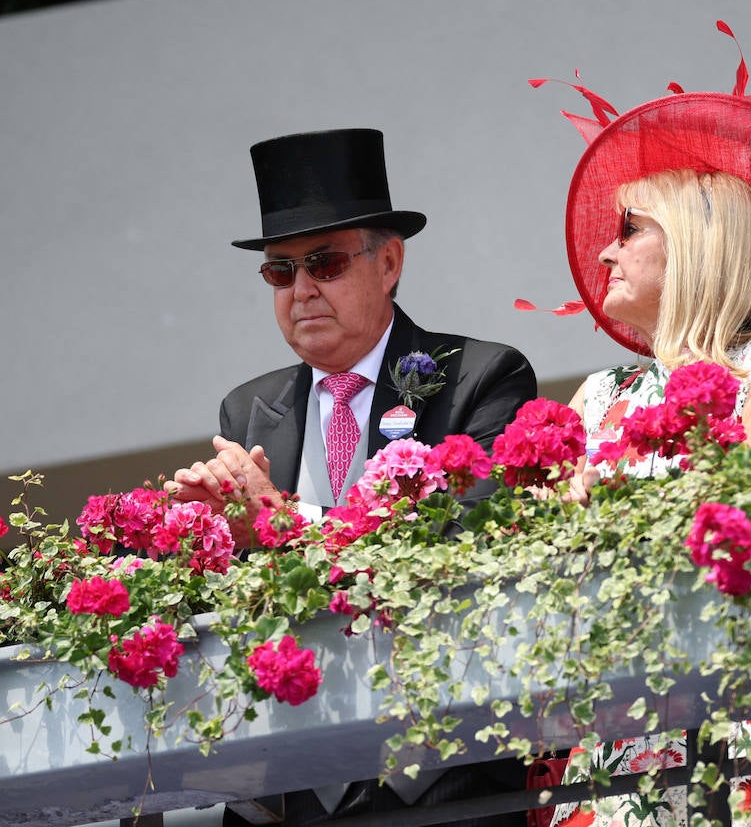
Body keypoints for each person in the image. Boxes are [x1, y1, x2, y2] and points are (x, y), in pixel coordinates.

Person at [170, 127, 536, 827]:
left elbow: (471, 550)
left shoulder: (479, 376)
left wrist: (280, 524)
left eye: (325, 263)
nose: (301, 290)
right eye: (280, 271)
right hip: (302, 781)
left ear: (389, 262)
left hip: (445, 776)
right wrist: (203, 539)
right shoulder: (249, 408)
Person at [540, 31, 751, 827]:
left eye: (630, 228)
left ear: (700, 243)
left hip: (742, 720)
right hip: (618, 733)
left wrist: (600, 501)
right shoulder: (600, 393)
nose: (605, 250)